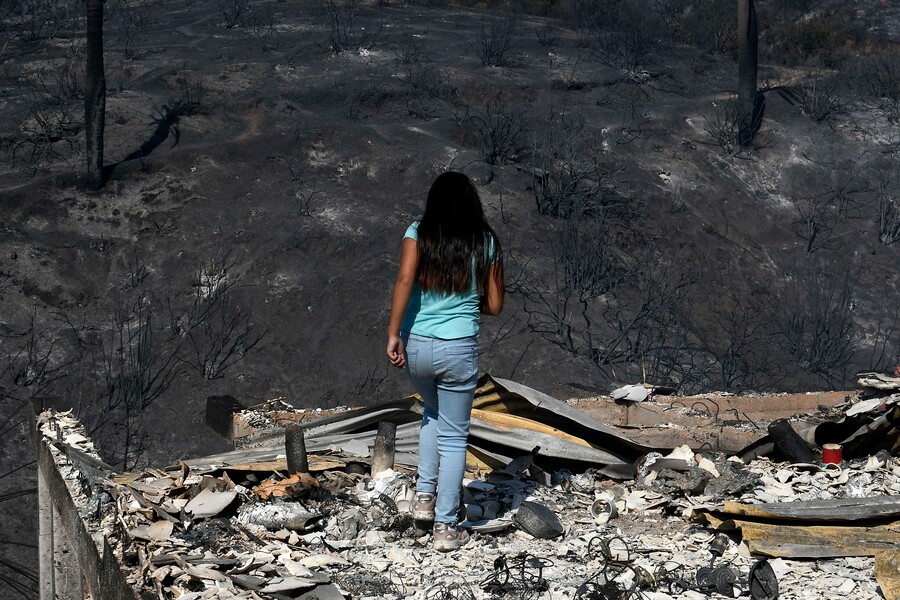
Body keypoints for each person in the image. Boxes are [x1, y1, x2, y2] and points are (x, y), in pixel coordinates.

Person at [386, 171, 504, 552]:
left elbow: (405, 280)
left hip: (417, 344)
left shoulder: (418, 232)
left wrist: (393, 334)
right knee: (455, 437)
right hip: (458, 348)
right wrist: (467, 301)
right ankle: (445, 525)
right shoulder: (485, 241)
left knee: (432, 415)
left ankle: (423, 498)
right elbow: (496, 305)